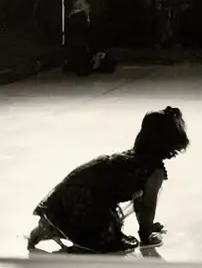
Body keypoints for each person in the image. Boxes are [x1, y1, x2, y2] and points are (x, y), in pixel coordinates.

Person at [27, 107, 189, 253]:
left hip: (69, 192)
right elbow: (146, 206)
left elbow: (136, 199)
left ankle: (50, 226)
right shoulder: (154, 171)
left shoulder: (130, 157)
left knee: (82, 205)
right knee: (105, 240)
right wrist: (146, 232)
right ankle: (75, 237)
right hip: (89, 203)